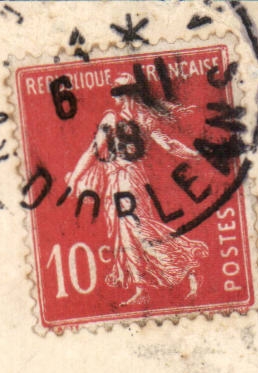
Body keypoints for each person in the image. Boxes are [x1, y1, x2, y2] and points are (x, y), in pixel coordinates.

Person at [65, 74, 208, 306]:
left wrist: (195, 154)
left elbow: (168, 144)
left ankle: (188, 265)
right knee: (126, 234)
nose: (118, 99)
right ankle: (142, 288)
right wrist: (74, 179)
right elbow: (94, 150)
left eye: (120, 94)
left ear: (128, 95)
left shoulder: (136, 119)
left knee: (138, 230)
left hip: (131, 180)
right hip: (115, 181)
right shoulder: (124, 118)